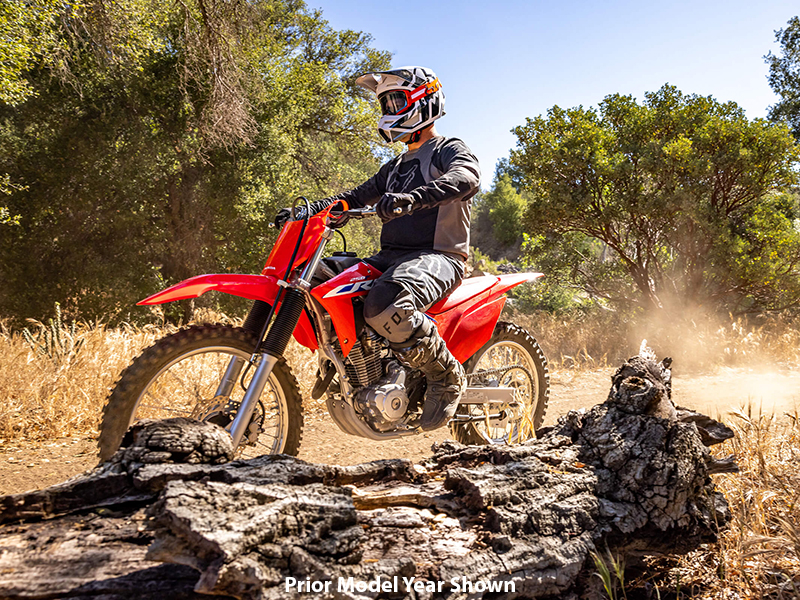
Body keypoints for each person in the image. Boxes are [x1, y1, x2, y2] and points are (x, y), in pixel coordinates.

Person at [277, 66, 481, 431]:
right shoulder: (396, 166)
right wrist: (310, 211)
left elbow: (465, 177)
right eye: (385, 102)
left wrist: (411, 199)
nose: (388, 108)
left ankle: (446, 375)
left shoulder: (447, 148)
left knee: (384, 302)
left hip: (439, 256)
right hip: (393, 256)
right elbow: (352, 197)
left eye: (396, 100)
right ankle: (352, 363)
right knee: (322, 280)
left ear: (424, 100)